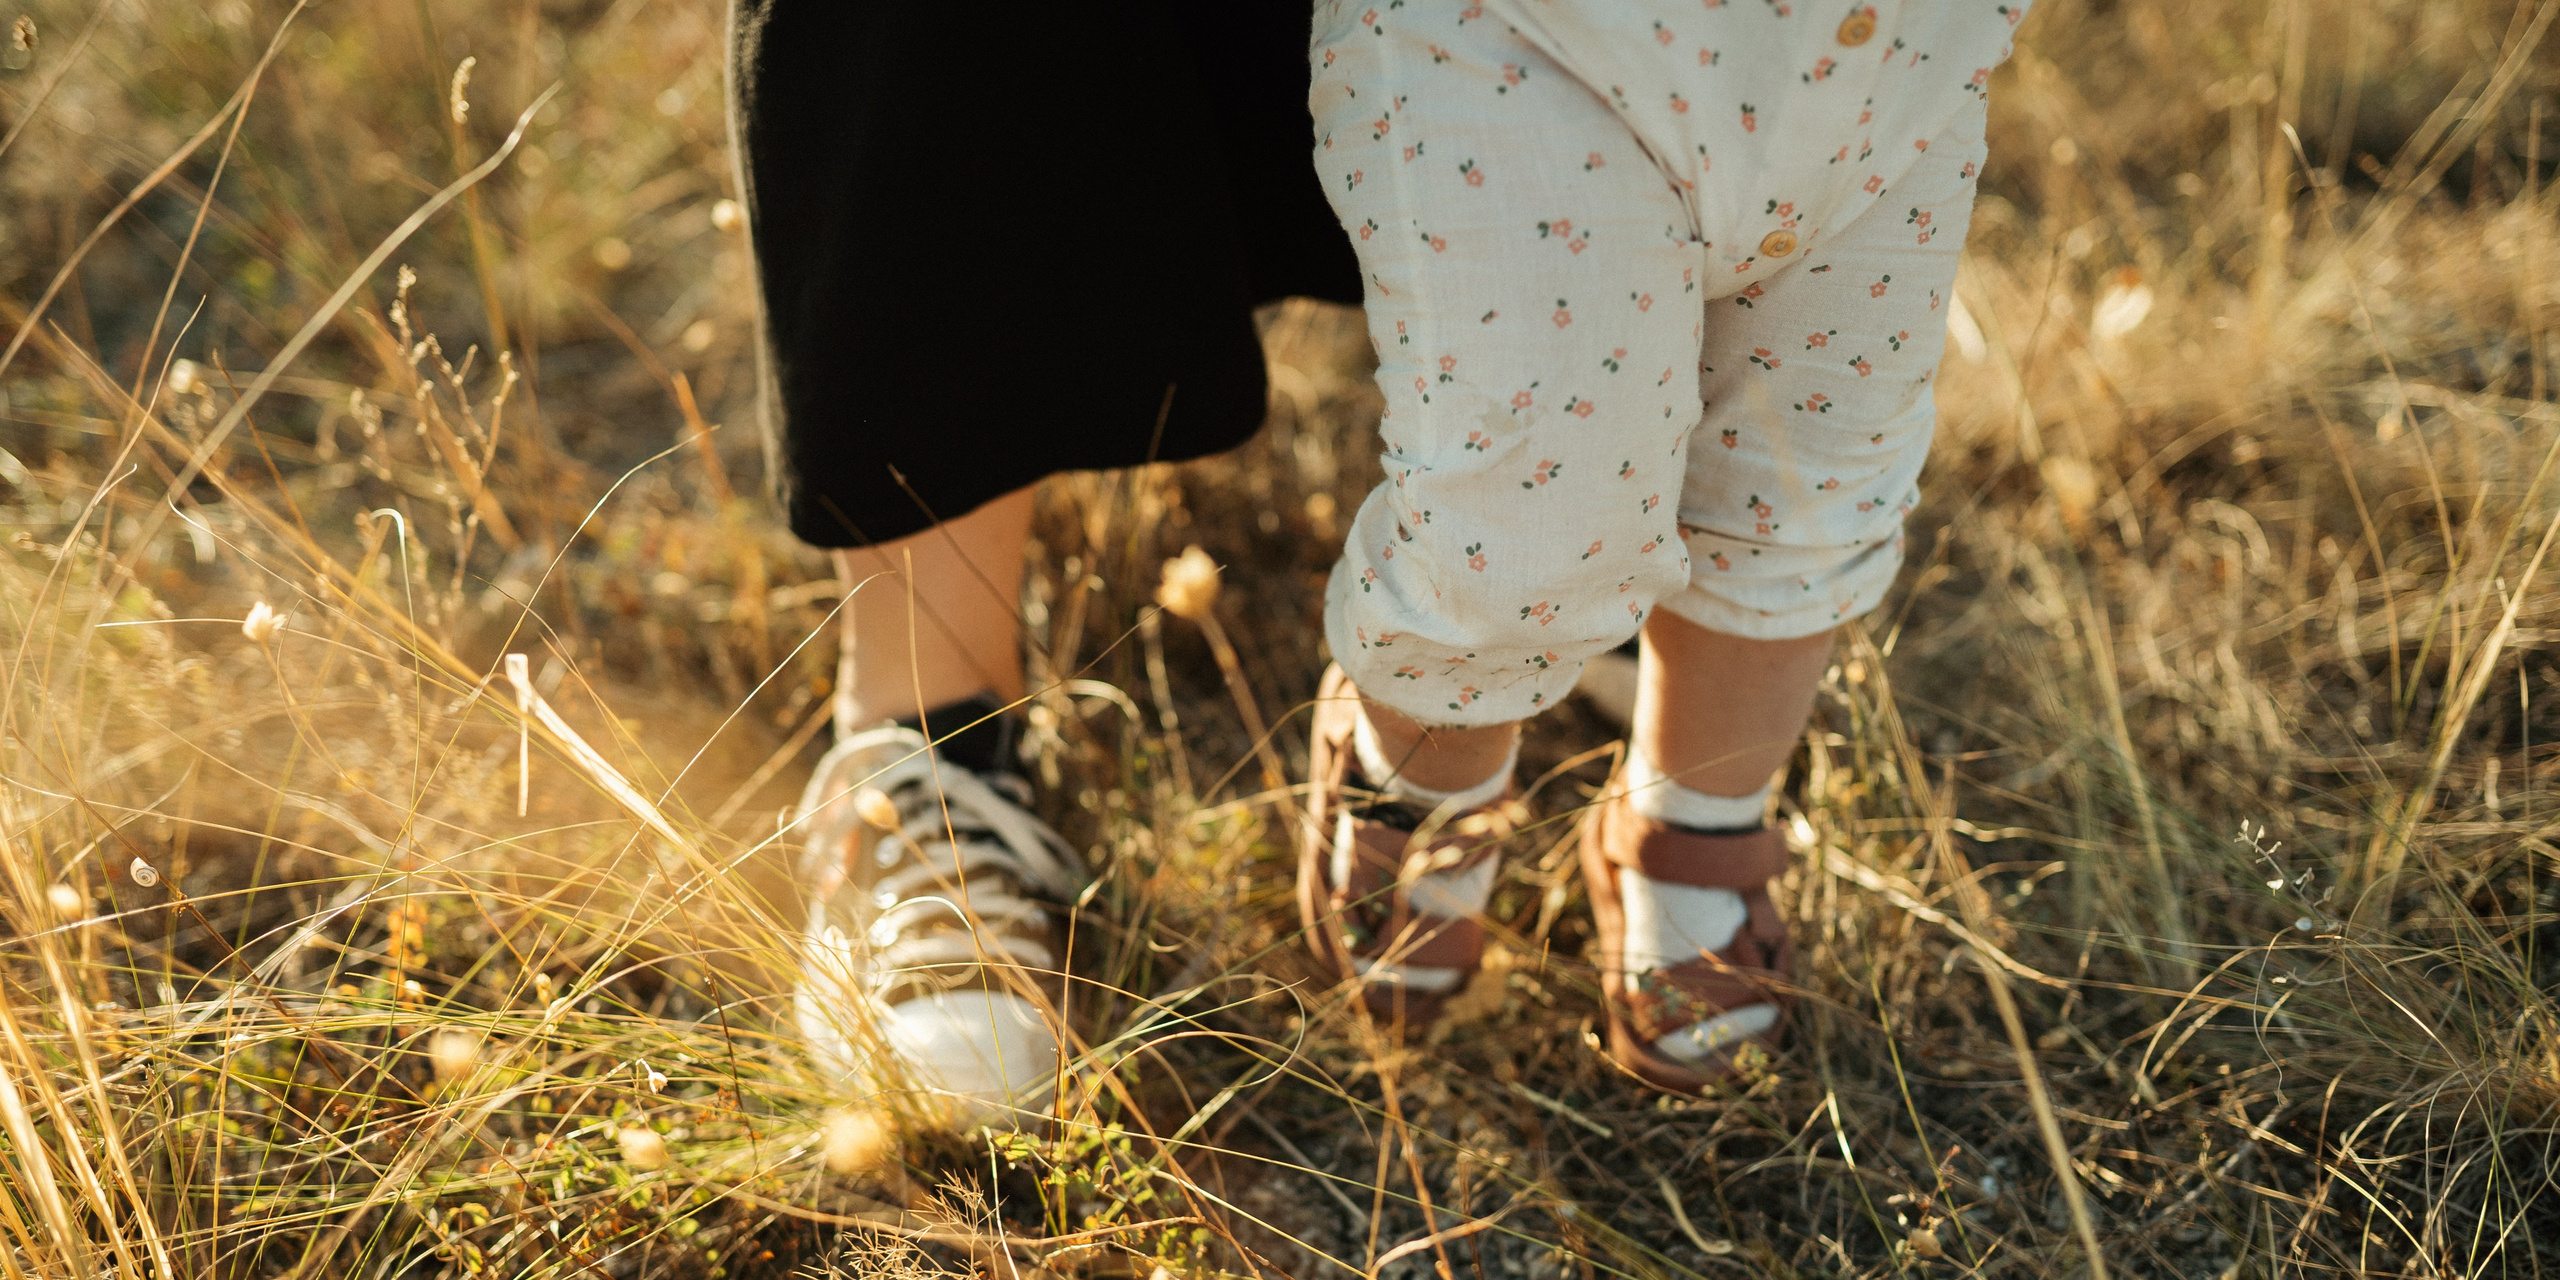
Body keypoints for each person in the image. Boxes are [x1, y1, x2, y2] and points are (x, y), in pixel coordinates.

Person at [727, 0, 2025, 1115]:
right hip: (1540, 37)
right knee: (1520, 507)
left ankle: (1697, 817)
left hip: (1883, 53)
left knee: (1814, 477)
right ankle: (954, 748)